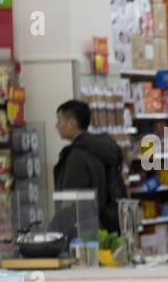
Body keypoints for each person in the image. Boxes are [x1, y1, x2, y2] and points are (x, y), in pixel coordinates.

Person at [53, 100, 125, 234]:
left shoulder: (77, 156)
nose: (56, 126)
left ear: (72, 123)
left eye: (59, 120)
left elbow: (72, 201)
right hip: (108, 224)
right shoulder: (102, 148)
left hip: (86, 230)